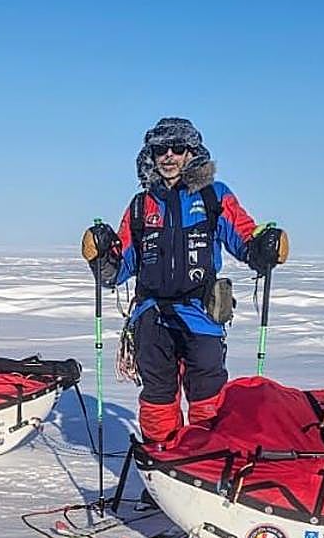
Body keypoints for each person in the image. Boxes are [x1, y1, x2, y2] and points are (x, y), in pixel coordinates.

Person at [80, 117, 289, 443]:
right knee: (157, 398)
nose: (168, 156)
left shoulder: (214, 197)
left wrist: (265, 246)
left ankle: (207, 465)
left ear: (192, 152)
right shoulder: (140, 206)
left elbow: (245, 240)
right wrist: (102, 255)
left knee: (209, 399)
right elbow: (119, 270)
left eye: (177, 148)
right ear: (150, 154)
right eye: (160, 149)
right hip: (151, 316)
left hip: (201, 315)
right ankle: (162, 464)